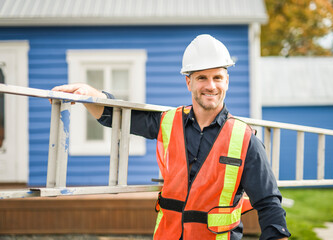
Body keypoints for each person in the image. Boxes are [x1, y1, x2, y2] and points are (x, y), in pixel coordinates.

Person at [52, 34, 290, 240]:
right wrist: (91, 94)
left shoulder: (245, 140)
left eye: (217, 77)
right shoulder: (168, 122)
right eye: (201, 78)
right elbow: (118, 118)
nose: (211, 86)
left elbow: (269, 205)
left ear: (226, 81)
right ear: (189, 82)